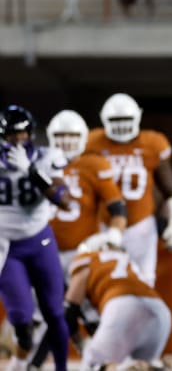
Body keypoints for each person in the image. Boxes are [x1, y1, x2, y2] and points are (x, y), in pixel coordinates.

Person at [29, 110, 128, 369]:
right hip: (42, 248)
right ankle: (90, 353)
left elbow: (117, 207)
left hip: (82, 249)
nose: (67, 141)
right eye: (61, 136)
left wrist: (114, 233)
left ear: (83, 137)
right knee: (53, 311)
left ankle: (109, 357)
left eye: (72, 136)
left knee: (84, 310)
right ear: (51, 137)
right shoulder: (38, 162)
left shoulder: (94, 164)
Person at [85, 93, 172, 286]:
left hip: (141, 224)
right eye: (116, 119)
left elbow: (171, 191)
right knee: (101, 281)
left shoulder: (152, 143)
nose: (121, 124)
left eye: (126, 119)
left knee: (143, 281)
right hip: (104, 223)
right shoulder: (92, 142)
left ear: (138, 117)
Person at [0, 105, 72, 371]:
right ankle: (20, 360)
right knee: (21, 319)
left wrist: (31, 171)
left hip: (39, 240)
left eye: (23, 134)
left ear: (31, 133)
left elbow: (65, 201)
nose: (18, 140)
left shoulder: (45, 157)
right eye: (11, 135)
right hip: (5, 245)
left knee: (54, 311)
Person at [65, 241, 171, 370]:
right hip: (160, 310)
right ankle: (157, 366)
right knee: (140, 366)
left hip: (123, 306)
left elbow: (69, 312)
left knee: (92, 366)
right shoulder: (128, 262)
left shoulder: (87, 260)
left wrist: (80, 342)